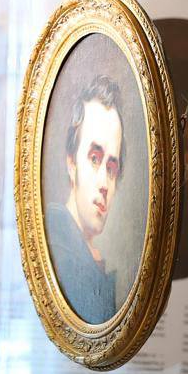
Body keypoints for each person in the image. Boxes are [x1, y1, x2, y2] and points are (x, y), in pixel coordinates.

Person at [45, 75, 124, 324]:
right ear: (71, 163)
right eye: (94, 159)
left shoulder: (86, 255)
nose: (104, 184)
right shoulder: (59, 250)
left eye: (111, 168)